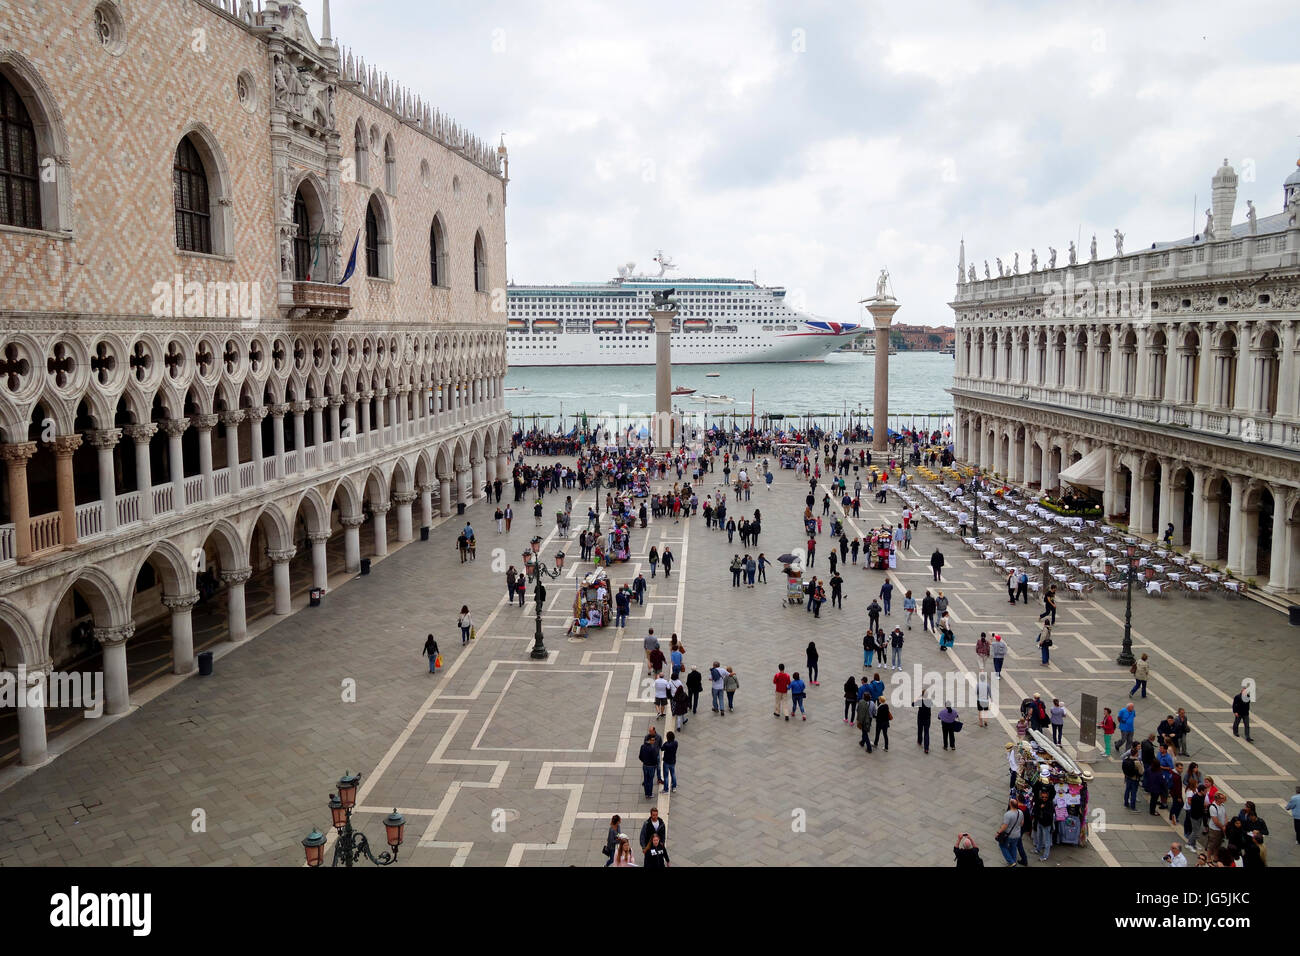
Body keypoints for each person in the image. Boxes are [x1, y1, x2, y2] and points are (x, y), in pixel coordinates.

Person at [996, 798, 1028, 867]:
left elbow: (1004, 826)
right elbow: (1022, 824)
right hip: (1017, 834)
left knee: (1002, 846)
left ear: (1010, 804)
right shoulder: (1020, 812)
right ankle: (1014, 862)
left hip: (1009, 835)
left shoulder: (1008, 814)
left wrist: (998, 832)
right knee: (1013, 847)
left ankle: (1011, 862)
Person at [1032, 789, 1055, 862]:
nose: (1044, 798)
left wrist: (1043, 808)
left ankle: (1045, 856)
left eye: (1045, 797)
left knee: (1047, 840)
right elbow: (1035, 810)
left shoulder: (1050, 803)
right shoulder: (1039, 801)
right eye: (1043, 797)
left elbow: (1050, 814)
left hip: (1047, 824)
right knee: (1039, 837)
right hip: (1040, 822)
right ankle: (1038, 849)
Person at [1121, 746, 1142, 811]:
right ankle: (1133, 807)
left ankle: (1126, 803)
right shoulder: (1137, 762)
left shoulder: (1126, 759)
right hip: (1134, 778)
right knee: (1133, 792)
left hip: (1127, 777)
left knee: (1127, 790)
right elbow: (1141, 771)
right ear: (1136, 754)